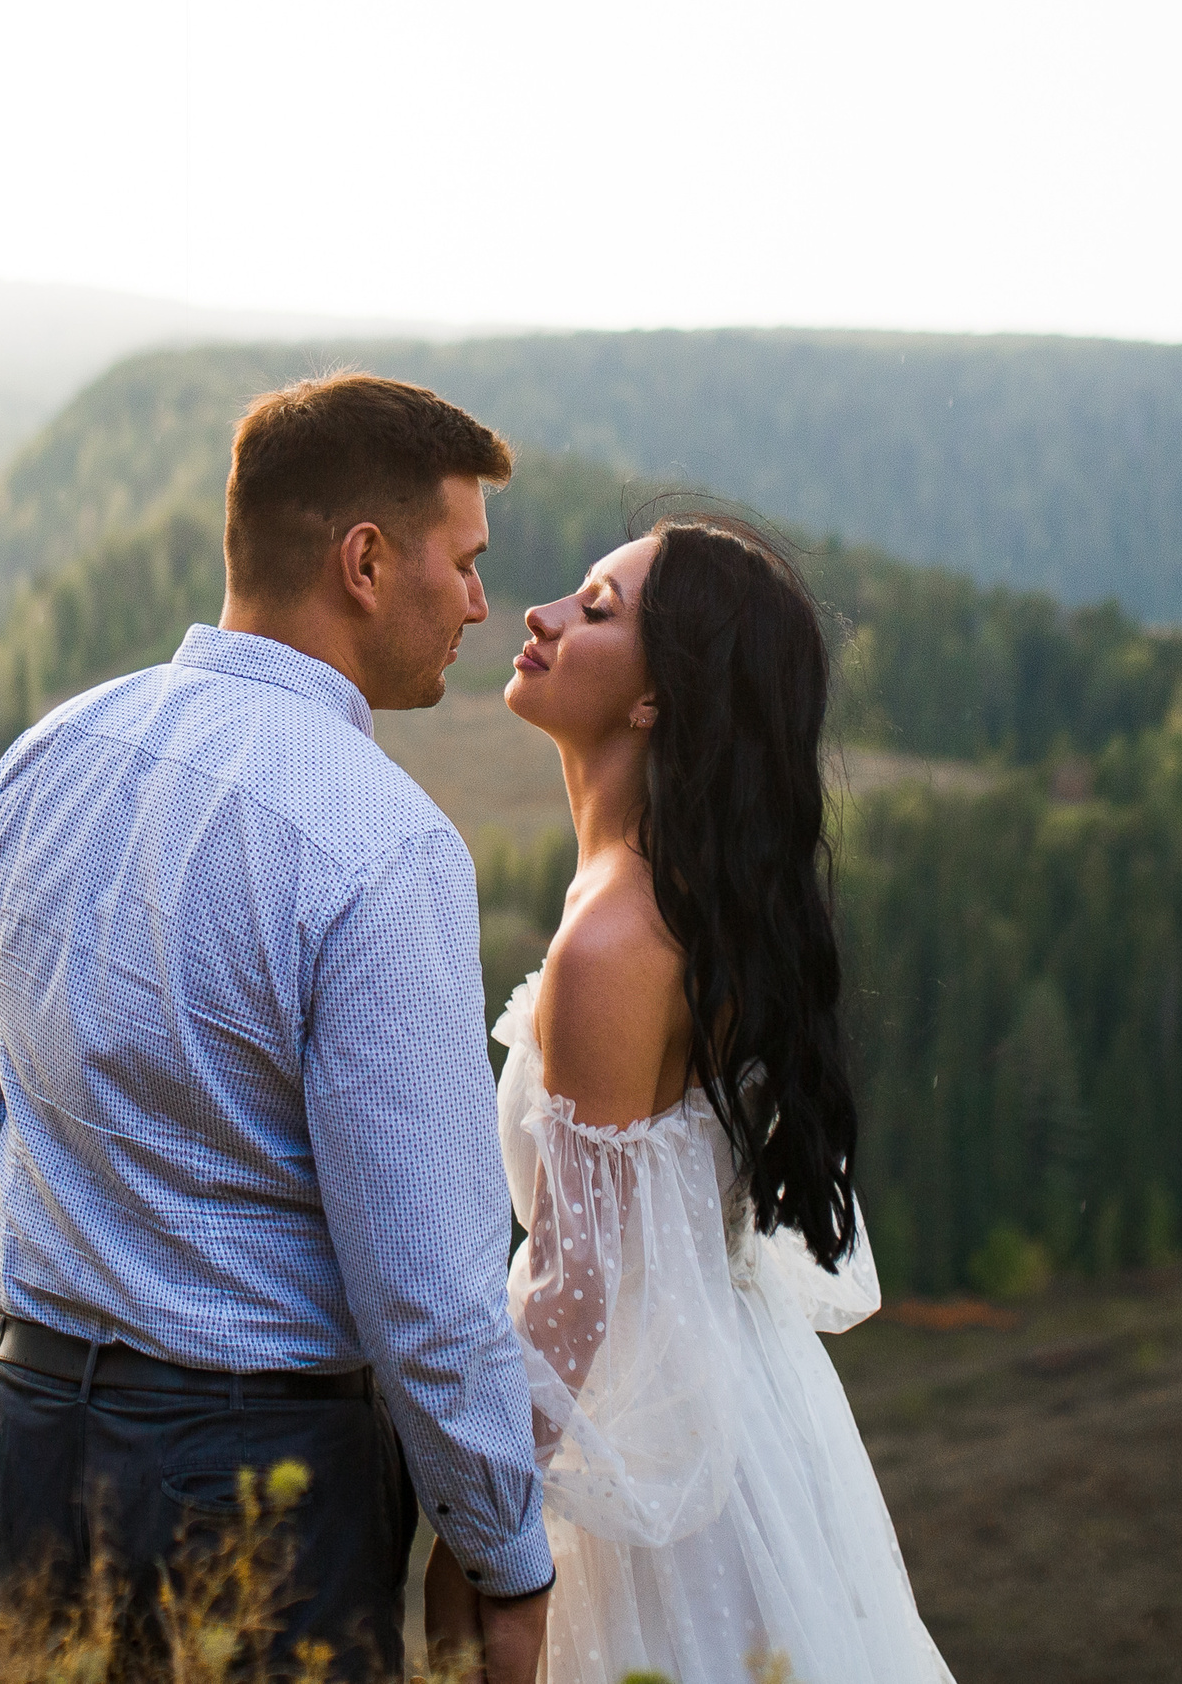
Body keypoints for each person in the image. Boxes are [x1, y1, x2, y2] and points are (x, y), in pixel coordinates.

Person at [0, 373, 554, 1683]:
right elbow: (428, 1294)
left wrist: (47, 1352)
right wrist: (505, 1556)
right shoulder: (384, 844)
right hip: (255, 1479)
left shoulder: (47, 754)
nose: (479, 604)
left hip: (25, 1432)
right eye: (465, 561)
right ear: (364, 563)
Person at [475, 512, 954, 1683]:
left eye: (595, 609)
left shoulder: (614, 941)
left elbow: (574, 1288)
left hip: (660, 1474)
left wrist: (478, 1535)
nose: (540, 615)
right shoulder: (686, 900)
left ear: (656, 698)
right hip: (745, 1416)